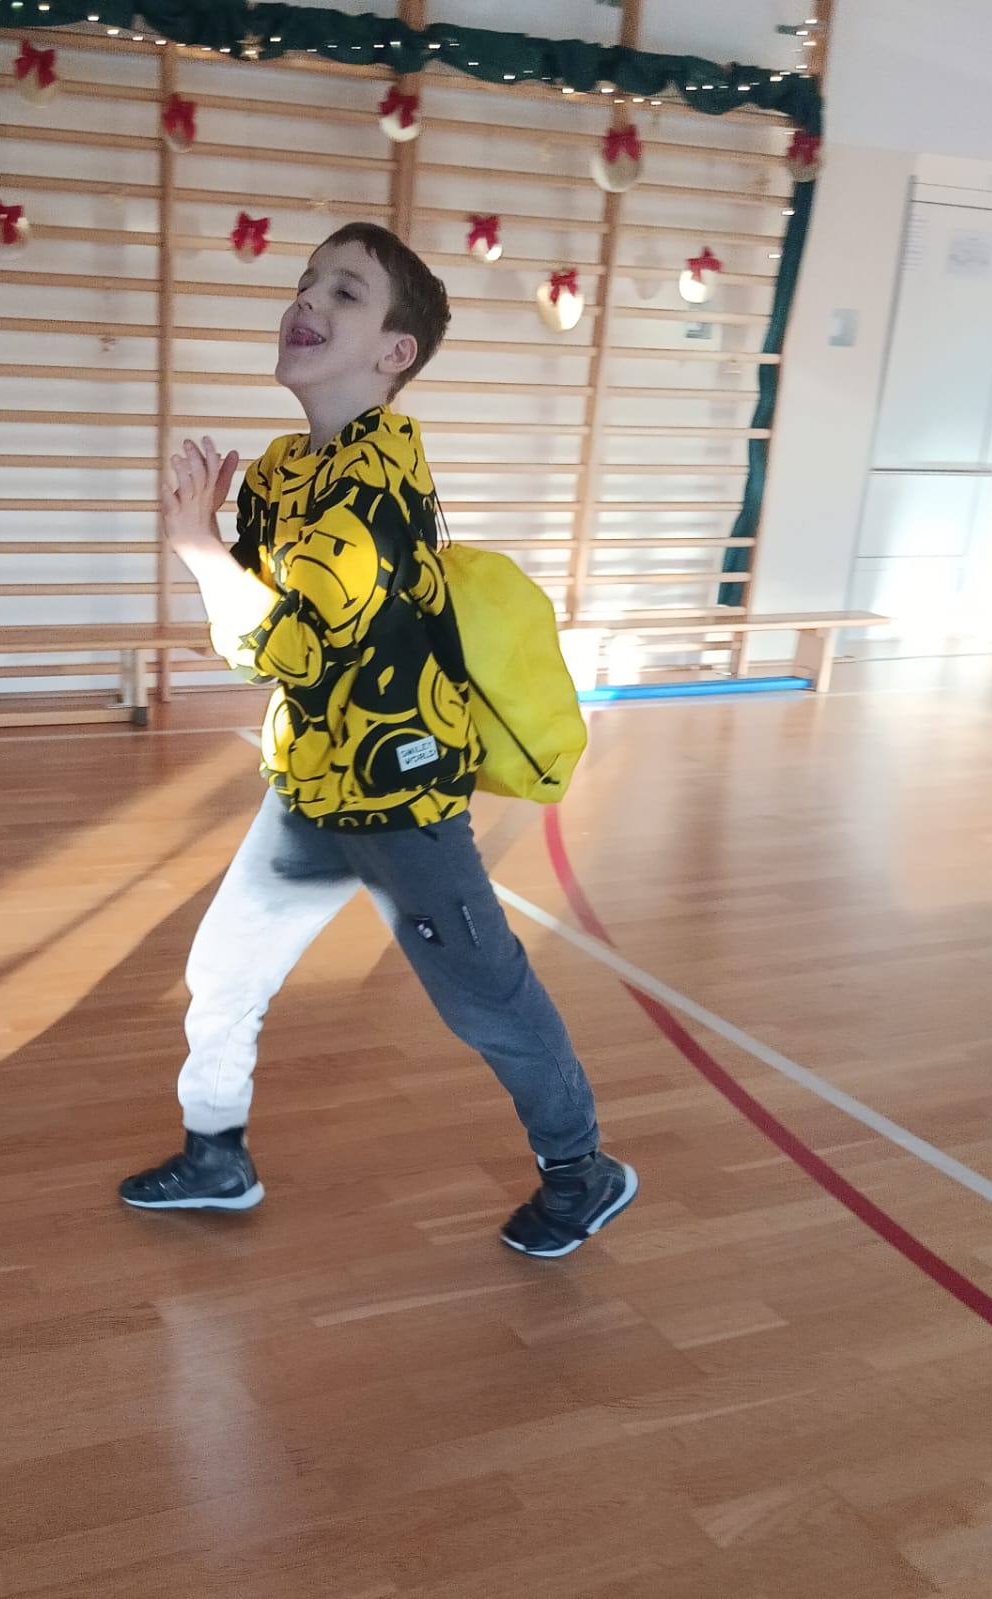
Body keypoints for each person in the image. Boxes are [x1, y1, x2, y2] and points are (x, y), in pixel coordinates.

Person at [119, 222, 637, 1258]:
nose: (307, 300)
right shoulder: (286, 470)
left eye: (344, 293)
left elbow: (293, 649)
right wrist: (216, 546)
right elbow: (256, 629)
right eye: (307, 282)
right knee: (224, 969)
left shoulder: (373, 485)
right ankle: (216, 1155)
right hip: (313, 784)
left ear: (395, 352)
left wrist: (197, 549)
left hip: (399, 797)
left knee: (486, 1000)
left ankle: (583, 1170)